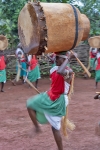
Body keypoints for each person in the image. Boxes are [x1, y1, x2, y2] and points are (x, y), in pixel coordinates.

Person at [26, 51, 73, 150]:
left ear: (64, 60)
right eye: (55, 58)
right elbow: (57, 68)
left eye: (58, 58)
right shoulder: (54, 69)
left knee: (55, 128)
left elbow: (61, 72)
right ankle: (37, 127)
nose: (55, 60)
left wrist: (69, 58)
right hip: (49, 95)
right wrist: (50, 56)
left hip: (59, 101)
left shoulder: (69, 72)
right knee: (30, 104)